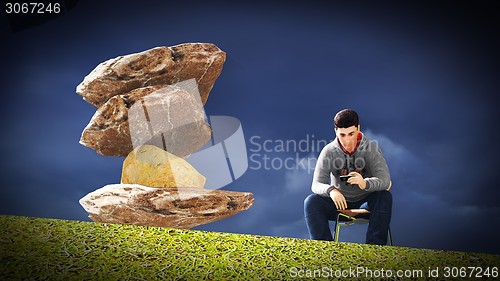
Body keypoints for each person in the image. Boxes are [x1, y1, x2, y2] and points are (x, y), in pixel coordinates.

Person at [304, 109, 392, 245]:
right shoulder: (328, 151)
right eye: (342, 135)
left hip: (366, 201)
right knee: (311, 202)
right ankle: (324, 249)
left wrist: (365, 183)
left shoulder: (371, 148)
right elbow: (316, 184)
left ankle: (375, 248)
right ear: (336, 132)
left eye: (351, 134)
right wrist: (331, 190)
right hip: (339, 203)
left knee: (384, 197)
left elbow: (385, 180)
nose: (347, 140)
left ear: (358, 129)